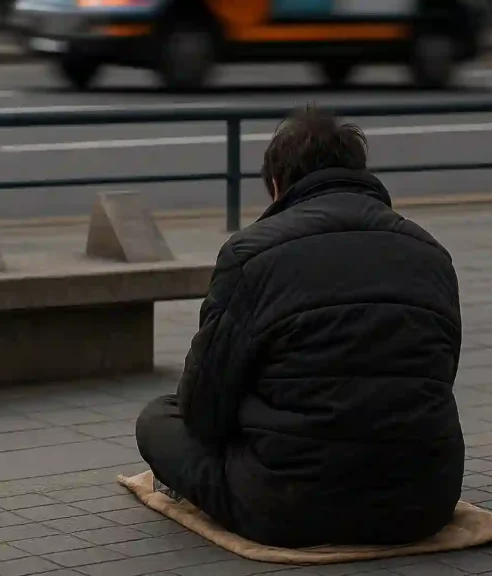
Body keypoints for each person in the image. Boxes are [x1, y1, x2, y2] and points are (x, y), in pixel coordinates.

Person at [135, 105, 465, 548]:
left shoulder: (251, 255)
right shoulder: (432, 254)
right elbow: (440, 375)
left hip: (290, 507)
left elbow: (202, 408)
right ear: (358, 173)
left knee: (158, 417)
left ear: (277, 185)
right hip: (422, 503)